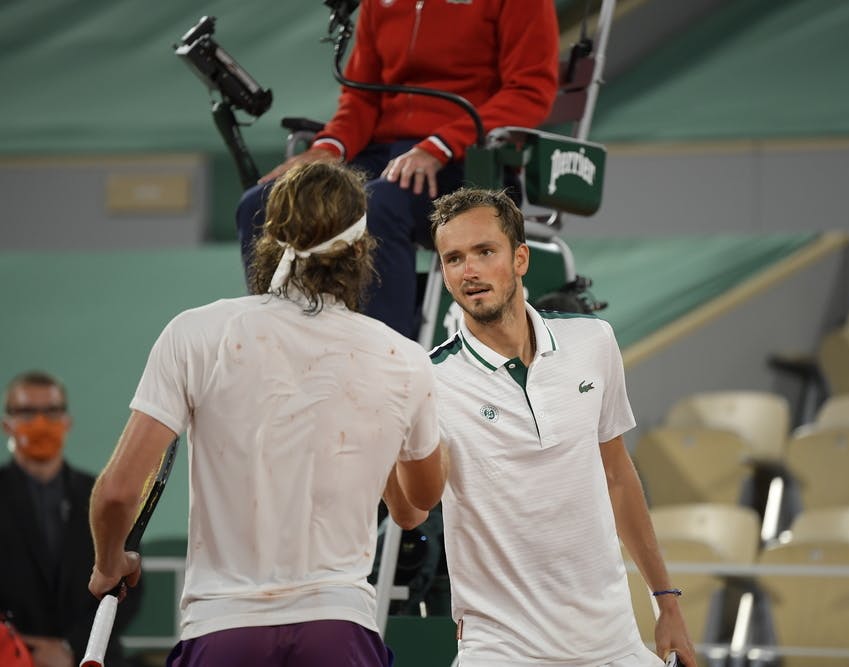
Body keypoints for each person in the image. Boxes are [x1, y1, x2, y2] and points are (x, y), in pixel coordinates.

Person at [88, 161, 447, 667]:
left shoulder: (196, 333)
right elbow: (417, 506)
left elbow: (118, 493)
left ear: (269, 236)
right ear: (362, 250)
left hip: (222, 629)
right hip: (338, 630)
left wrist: (109, 563)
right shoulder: (403, 358)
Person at [428, 189, 699, 667]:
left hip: (612, 643)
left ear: (520, 258)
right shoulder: (428, 379)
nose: (468, 271)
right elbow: (407, 507)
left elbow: (617, 477)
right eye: (453, 259)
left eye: (484, 252)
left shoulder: (594, 341)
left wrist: (667, 603)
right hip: (500, 650)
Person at [236, 0, 560, 339]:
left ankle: (387, 361)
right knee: (263, 204)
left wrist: (439, 145)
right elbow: (361, 97)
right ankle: (277, 346)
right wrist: (326, 149)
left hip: (469, 160)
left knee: (376, 206)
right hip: (382, 153)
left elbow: (529, 90)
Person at [0, 371, 139, 667]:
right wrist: (22, 649)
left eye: (51, 411)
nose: (40, 423)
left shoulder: (101, 494)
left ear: (67, 421)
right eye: (26, 412)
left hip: (93, 657)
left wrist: (70, 647)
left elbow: (130, 583)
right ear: (6, 424)